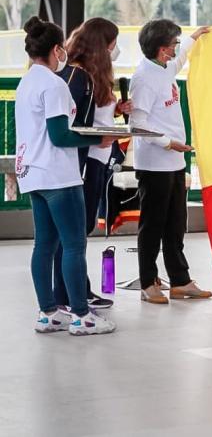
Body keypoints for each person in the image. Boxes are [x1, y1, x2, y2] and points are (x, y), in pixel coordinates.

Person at [15, 16, 117, 335]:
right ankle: (82, 316)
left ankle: (48, 312)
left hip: (33, 174)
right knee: (74, 245)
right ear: (58, 49)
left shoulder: (26, 82)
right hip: (59, 176)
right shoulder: (54, 84)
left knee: (43, 246)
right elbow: (60, 136)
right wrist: (97, 139)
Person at [129, 20, 212, 304]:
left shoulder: (165, 68)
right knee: (152, 225)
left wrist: (194, 38)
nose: (177, 49)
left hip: (175, 161)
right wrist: (168, 143)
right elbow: (136, 123)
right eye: (174, 44)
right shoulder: (143, 78)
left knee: (175, 224)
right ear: (162, 49)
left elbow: (180, 60)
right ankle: (148, 282)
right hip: (154, 163)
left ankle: (180, 280)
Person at [53, 17, 132, 310]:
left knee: (79, 230)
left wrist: (117, 110)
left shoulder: (91, 76)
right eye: (113, 43)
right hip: (85, 162)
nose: (115, 49)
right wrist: (97, 139)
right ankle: (69, 294)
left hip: (97, 159)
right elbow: (74, 125)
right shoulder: (78, 77)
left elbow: (96, 117)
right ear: (102, 45)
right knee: (74, 232)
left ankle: (75, 290)